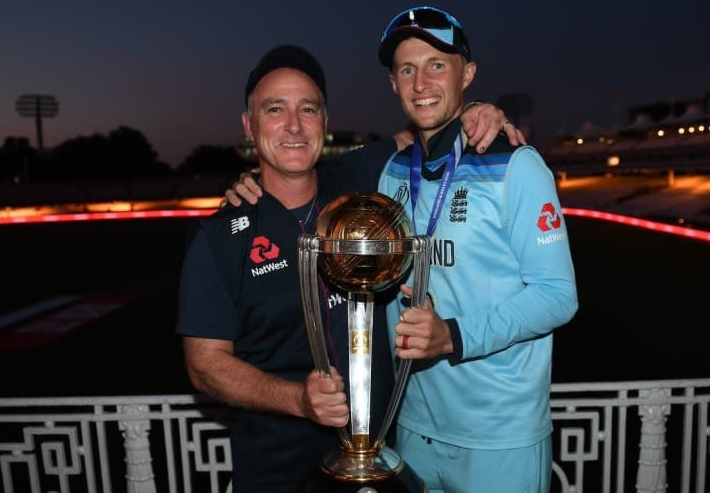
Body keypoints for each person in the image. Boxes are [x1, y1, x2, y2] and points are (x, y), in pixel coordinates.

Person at [177, 44, 516, 492]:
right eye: (275, 109)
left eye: (309, 109)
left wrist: (474, 109)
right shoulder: (219, 236)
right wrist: (298, 400)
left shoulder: (358, 179)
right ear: (249, 124)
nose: (294, 126)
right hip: (277, 474)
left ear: (325, 121)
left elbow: (425, 129)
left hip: (384, 465)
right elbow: (204, 366)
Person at [376, 6, 579, 492]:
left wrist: (453, 336)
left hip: (498, 439)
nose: (421, 81)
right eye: (407, 69)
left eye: (436, 65)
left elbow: (558, 294)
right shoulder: (393, 172)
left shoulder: (517, 165)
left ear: (467, 75)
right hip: (412, 428)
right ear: (393, 84)